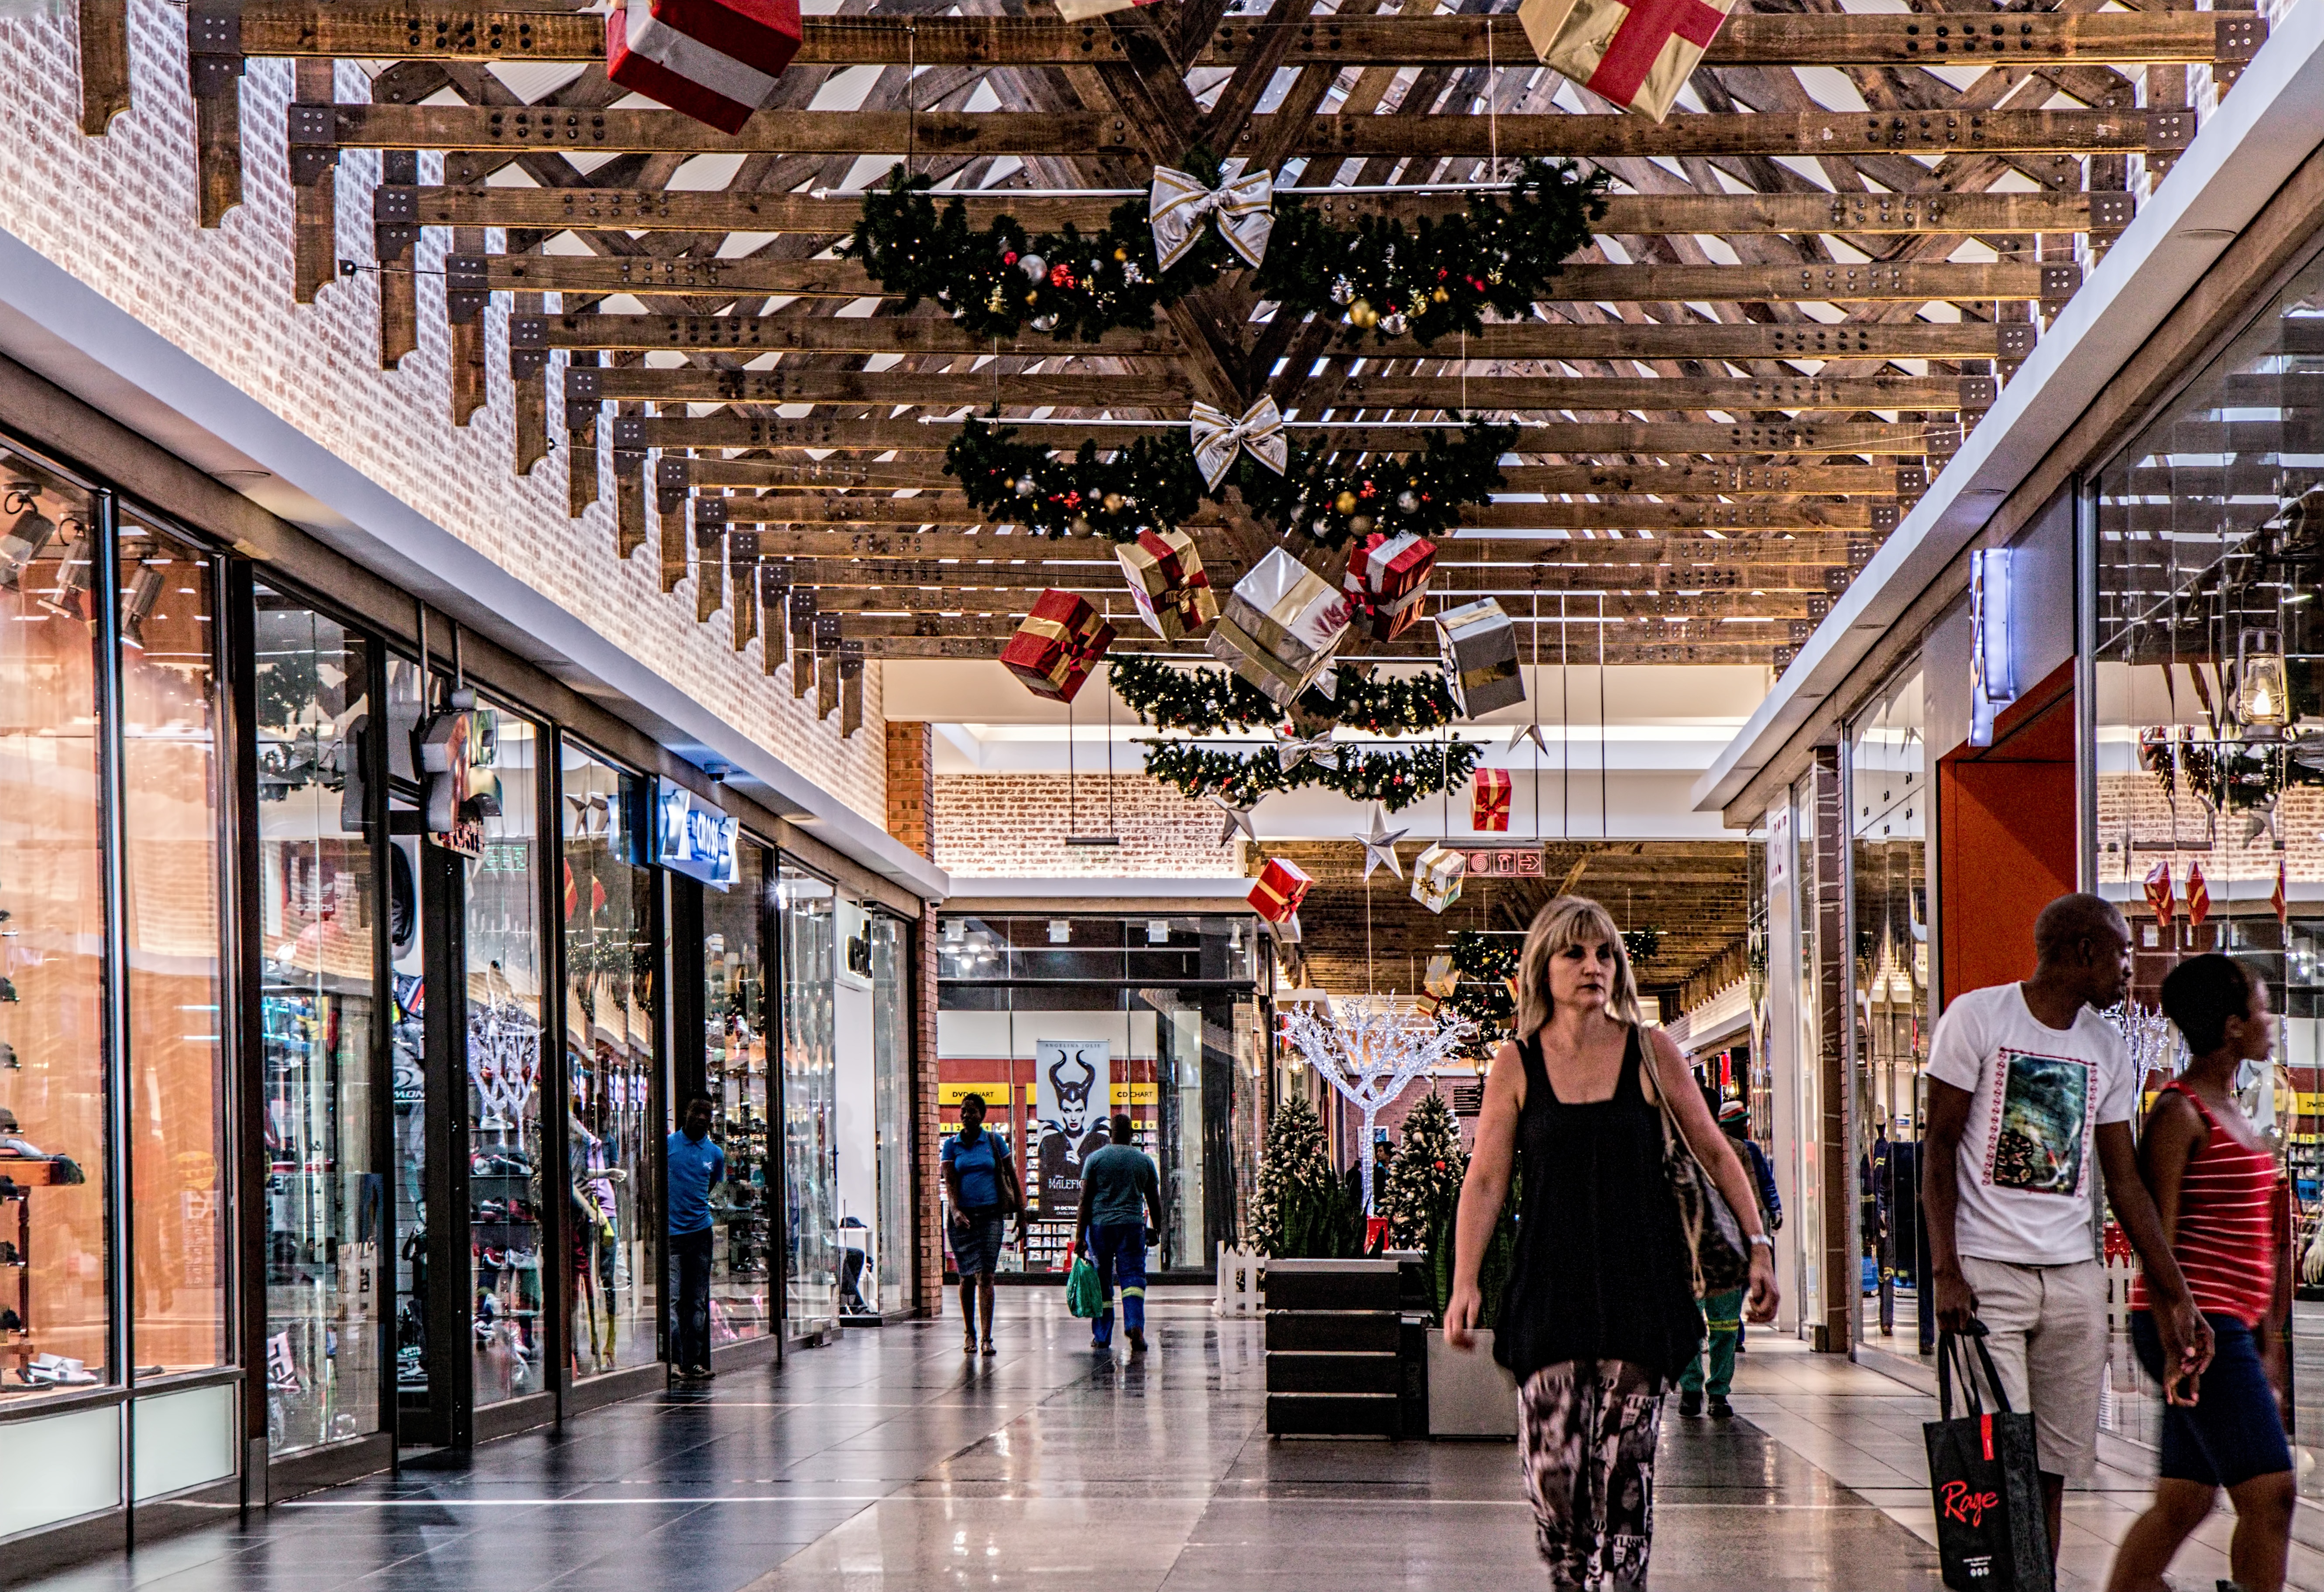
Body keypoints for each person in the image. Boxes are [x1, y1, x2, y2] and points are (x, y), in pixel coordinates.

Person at [1446, 896, 1778, 1589]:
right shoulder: (1517, 1063)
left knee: (1626, 1482)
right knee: (1555, 1484)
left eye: (1604, 954)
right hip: (1549, 1294)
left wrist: (1758, 1246)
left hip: (1637, 1292)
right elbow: (1484, 1183)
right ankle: (1572, 1577)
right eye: (1575, 953)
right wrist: (1465, 1282)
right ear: (1544, 967)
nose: (1593, 967)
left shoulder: (1650, 1052)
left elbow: (1717, 1155)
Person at [1925, 892, 2212, 1573]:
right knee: (1999, 1462)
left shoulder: (2105, 1047)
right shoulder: (1977, 1018)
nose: (2127, 967)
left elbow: (2126, 1183)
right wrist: (1945, 1271)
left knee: (2053, 1468)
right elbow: (1938, 1148)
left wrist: (2176, 1296)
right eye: (2120, 952)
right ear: (2084, 951)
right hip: (1987, 1274)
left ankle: (2038, 1581)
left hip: (2073, 1280)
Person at [2105, 955, 2294, 1592]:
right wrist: (2173, 1336)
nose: (2272, 1021)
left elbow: (2257, 1242)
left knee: (2185, 1500)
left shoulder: (2235, 1109)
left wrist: (2269, 1336)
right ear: (2234, 1024)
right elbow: (2153, 1237)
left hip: (2229, 1326)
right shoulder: (2180, 1113)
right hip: (2197, 1327)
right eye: (2264, 1008)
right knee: (2271, 1492)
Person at [1679, 1099, 1782, 1414]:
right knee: (1723, 1325)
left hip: (1693, 1249)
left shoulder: (1687, 1148)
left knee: (1694, 1323)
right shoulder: (1733, 1150)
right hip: (1725, 1248)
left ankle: (1693, 1390)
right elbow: (1754, 1198)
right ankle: (1716, 1392)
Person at [1074, 1112, 1164, 1355]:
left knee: (1102, 1280)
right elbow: (1154, 1201)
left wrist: (1080, 1237)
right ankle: (1135, 1325)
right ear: (1132, 1136)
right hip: (1132, 1226)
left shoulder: (1095, 1159)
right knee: (1134, 1278)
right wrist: (1157, 1229)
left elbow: (1084, 1201)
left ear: (1110, 1134)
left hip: (1100, 1227)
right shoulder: (1143, 1161)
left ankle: (1102, 1336)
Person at [942, 1093, 1021, 1355]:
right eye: (963, 1111)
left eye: (972, 1111)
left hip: (990, 1217)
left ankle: (987, 1337)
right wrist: (954, 1210)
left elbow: (1012, 1176)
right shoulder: (952, 1146)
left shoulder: (994, 1141)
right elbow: (950, 1182)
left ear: (982, 1115)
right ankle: (970, 1334)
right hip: (962, 1220)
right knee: (966, 1278)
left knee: (986, 1275)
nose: (966, 1115)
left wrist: (1023, 1213)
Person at [665, 1096, 724, 1383]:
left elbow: (711, 1186)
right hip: (673, 1236)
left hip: (701, 1235)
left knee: (697, 1301)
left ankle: (693, 1363)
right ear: (685, 1114)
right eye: (696, 1111)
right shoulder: (668, 1146)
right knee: (674, 1299)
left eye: (706, 1113)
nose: (701, 1117)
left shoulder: (715, 1154)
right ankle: (674, 1363)